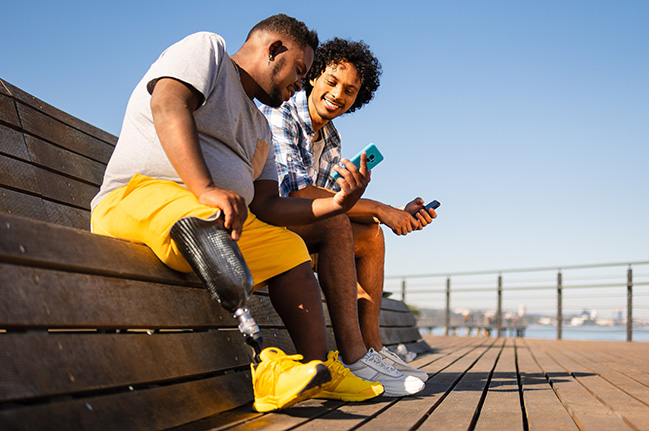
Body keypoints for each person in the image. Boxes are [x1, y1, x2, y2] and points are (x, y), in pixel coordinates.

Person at [89, 15, 384, 412]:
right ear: (274, 49)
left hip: (216, 223)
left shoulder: (260, 126)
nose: (300, 83)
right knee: (206, 220)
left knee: (288, 249)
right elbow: (167, 102)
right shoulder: (208, 50)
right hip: (139, 197)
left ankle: (319, 373)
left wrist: (338, 204)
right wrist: (206, 188)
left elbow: (268, 205)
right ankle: (264, 364)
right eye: (300, 70)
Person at [261, 38, 437, 393]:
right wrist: (381, 209)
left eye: (350, 90)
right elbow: (300, 196)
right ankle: (354, 357)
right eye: (332, 81)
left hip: (301, 230)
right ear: (312, 77)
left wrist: (393, 215)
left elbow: (332, 201)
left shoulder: (330, 138)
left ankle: (373, 351)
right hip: (263, 220)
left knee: (371, 235)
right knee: (342, 221)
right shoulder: (283, 114)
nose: (338, 94)